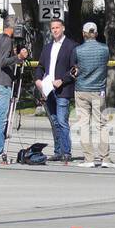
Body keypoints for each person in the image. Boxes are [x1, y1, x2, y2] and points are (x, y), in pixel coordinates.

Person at [0, 15, 28, 163]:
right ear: (13, 27)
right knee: (0, 119)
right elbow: (4, 62)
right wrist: (18, 57)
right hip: (2, 83)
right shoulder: (7, 41)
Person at [72, 22, 114, 168]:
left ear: (84, 33)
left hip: (82, 89)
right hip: (98, 90)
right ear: (96, 33)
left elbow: (74, 67)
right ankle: (105, 159)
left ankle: (88, 159)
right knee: (101, 125)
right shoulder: (104, 49)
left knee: (84, 124)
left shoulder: (78, 50)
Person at [36, 18, 77, 162]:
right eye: (52, 28)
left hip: (63, 90)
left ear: (63, 28)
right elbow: (40, 66)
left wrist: (62, 80)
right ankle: (58, 151)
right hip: (48, 89)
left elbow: (75, 69)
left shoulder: (71, 46)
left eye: (57, 27)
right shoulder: (48, 47)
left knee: (62, 120)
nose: (55, 30)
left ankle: (67, 152)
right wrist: (38, 80)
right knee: (54, 122)